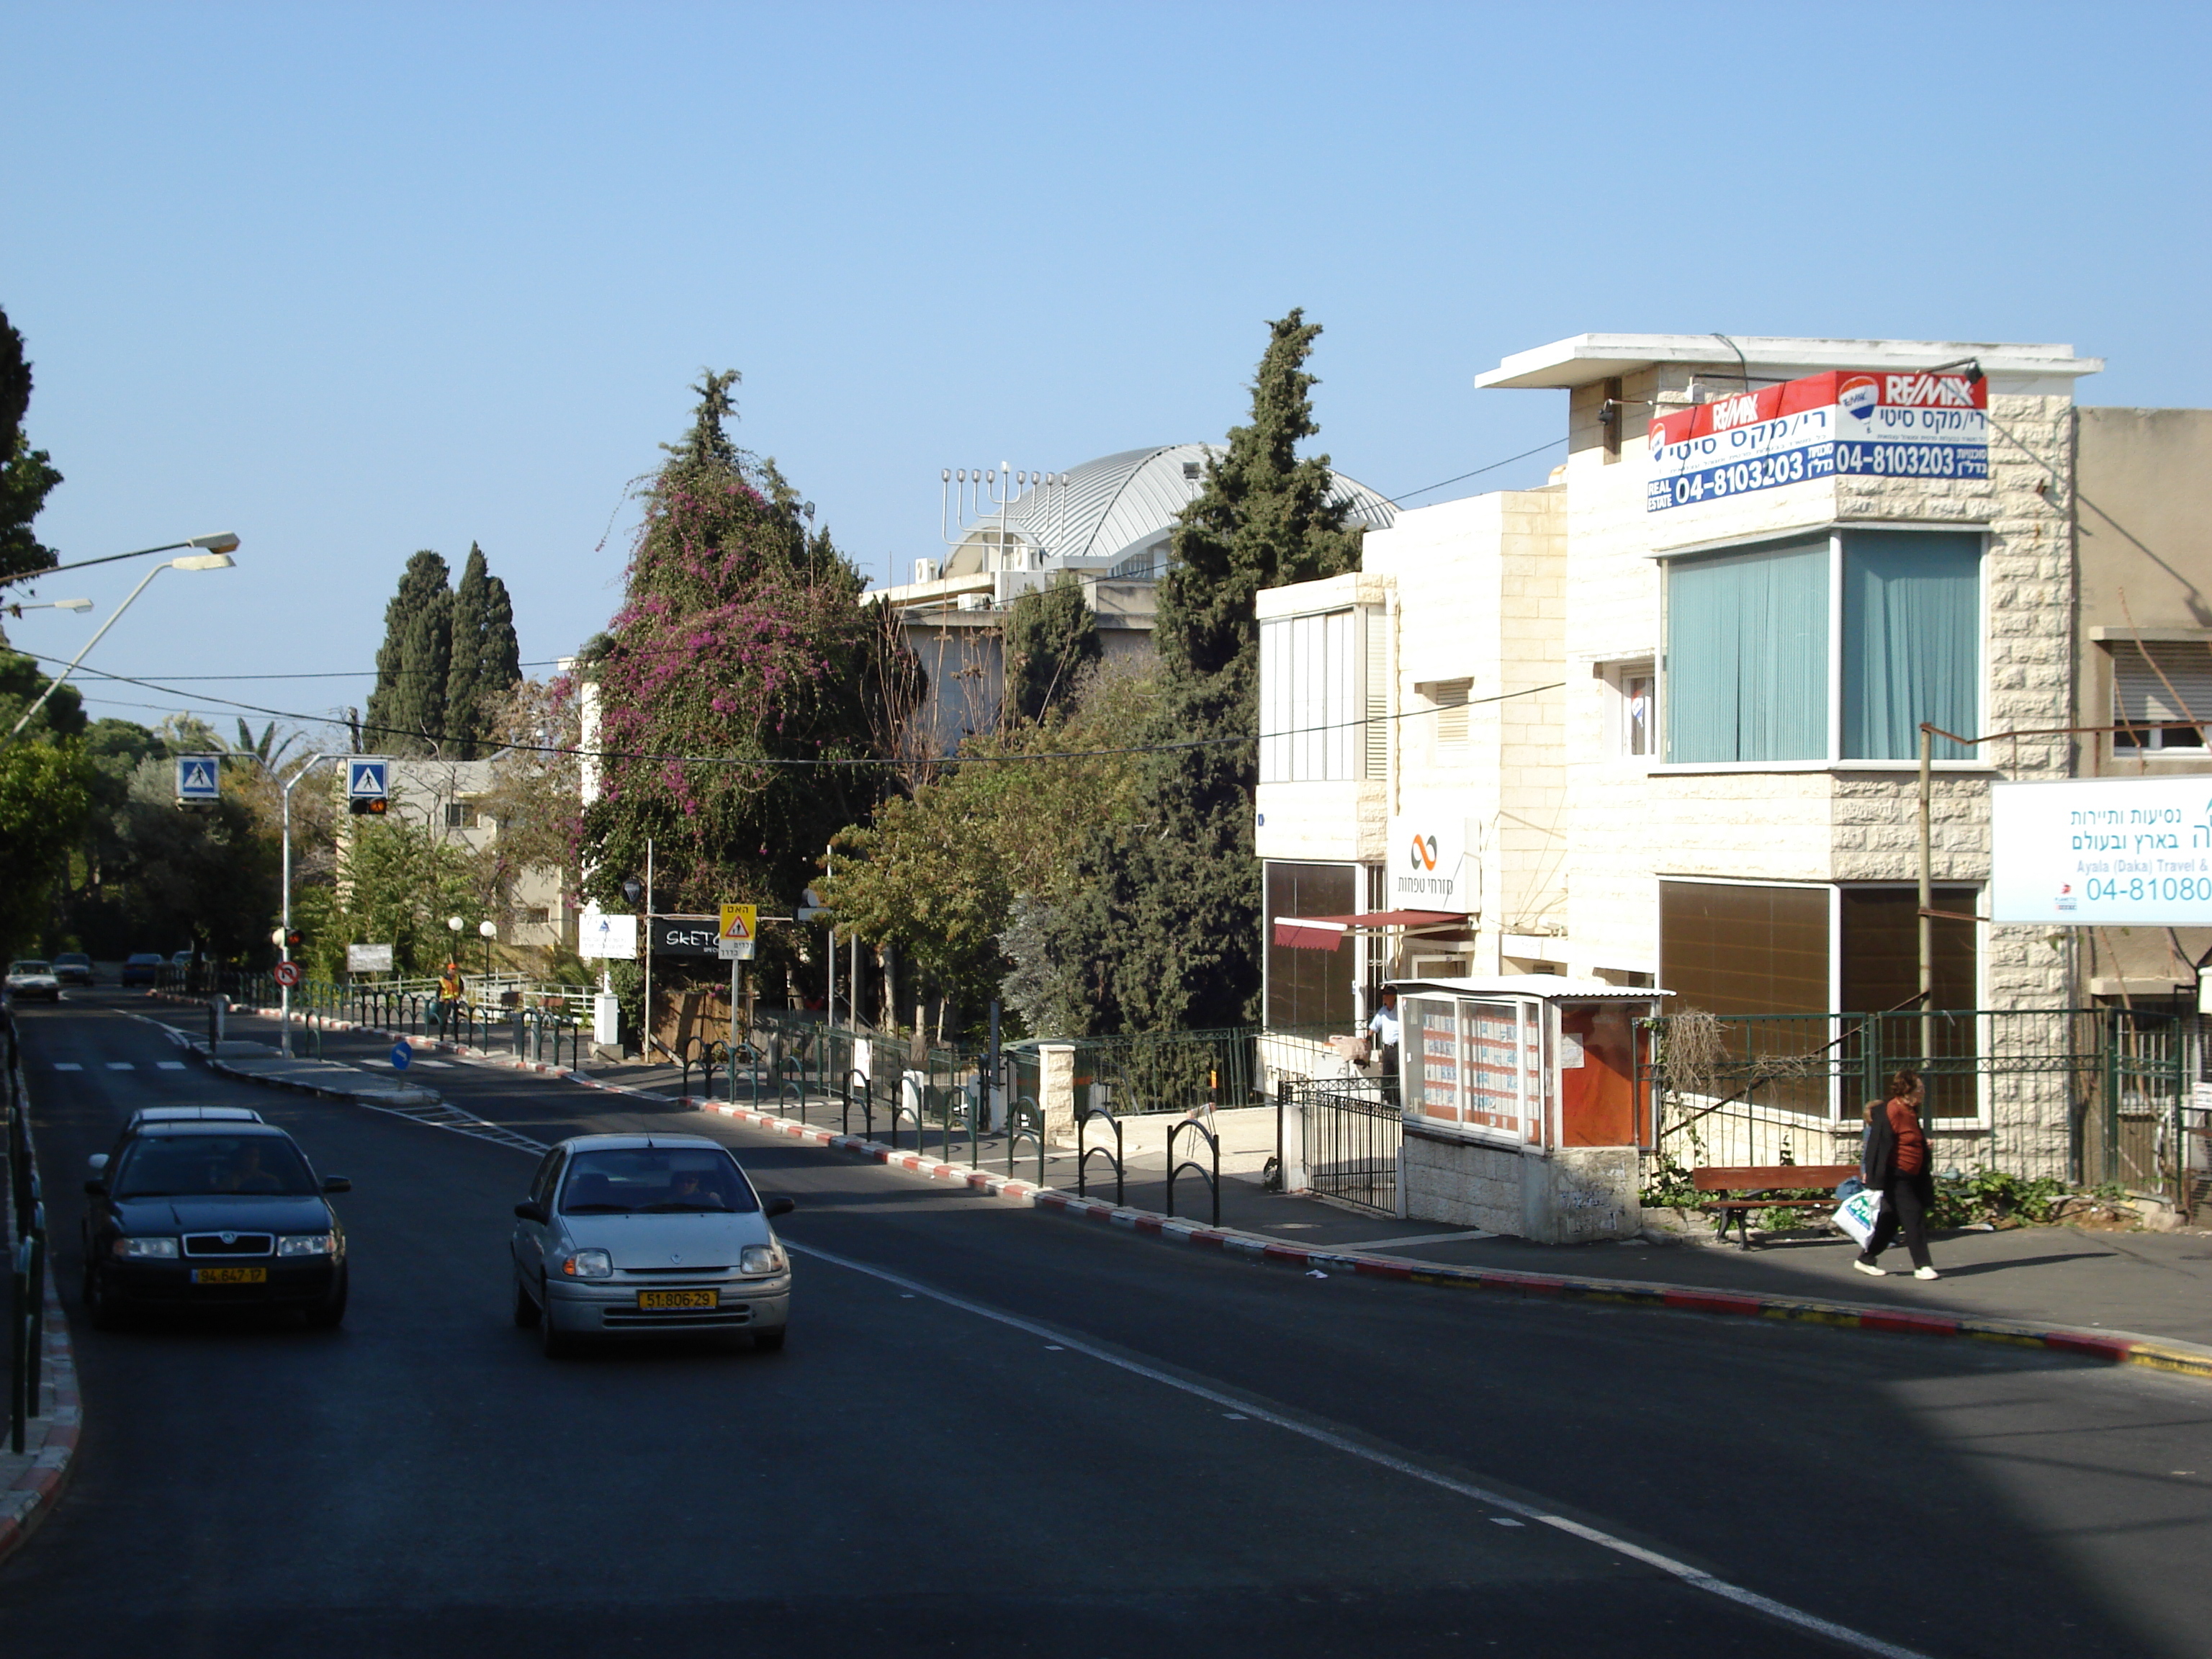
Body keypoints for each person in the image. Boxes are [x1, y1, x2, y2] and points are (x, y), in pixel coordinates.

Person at [1854, 1069, 1939, 1281]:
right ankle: (1922, 1265)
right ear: (1907, 1089)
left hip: (1912, 1173)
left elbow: (1908, 1137)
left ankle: (1866, 1258)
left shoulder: (1910, 1109)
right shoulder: (1894, 1110)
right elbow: (1881, 1143)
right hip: (1896, 1173)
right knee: (1913, 1214)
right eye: (1920, 1088)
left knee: (1889, 1219)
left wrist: (1922, 1144)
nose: (1924, 1092)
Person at [1367, 989, 1401, 1098]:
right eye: (1384, 995)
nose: (1384, 997)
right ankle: (1388, 1100)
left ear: (1394, 996)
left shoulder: (1399, 1010)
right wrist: (1367, 1038)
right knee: (1387, 1075)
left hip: (1398, 1048)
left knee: (1398, 1076)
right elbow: (1374, 1026)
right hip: (1387, 1048)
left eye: (1387, 995)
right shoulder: (1383, 1011)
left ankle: (1397, 1101)